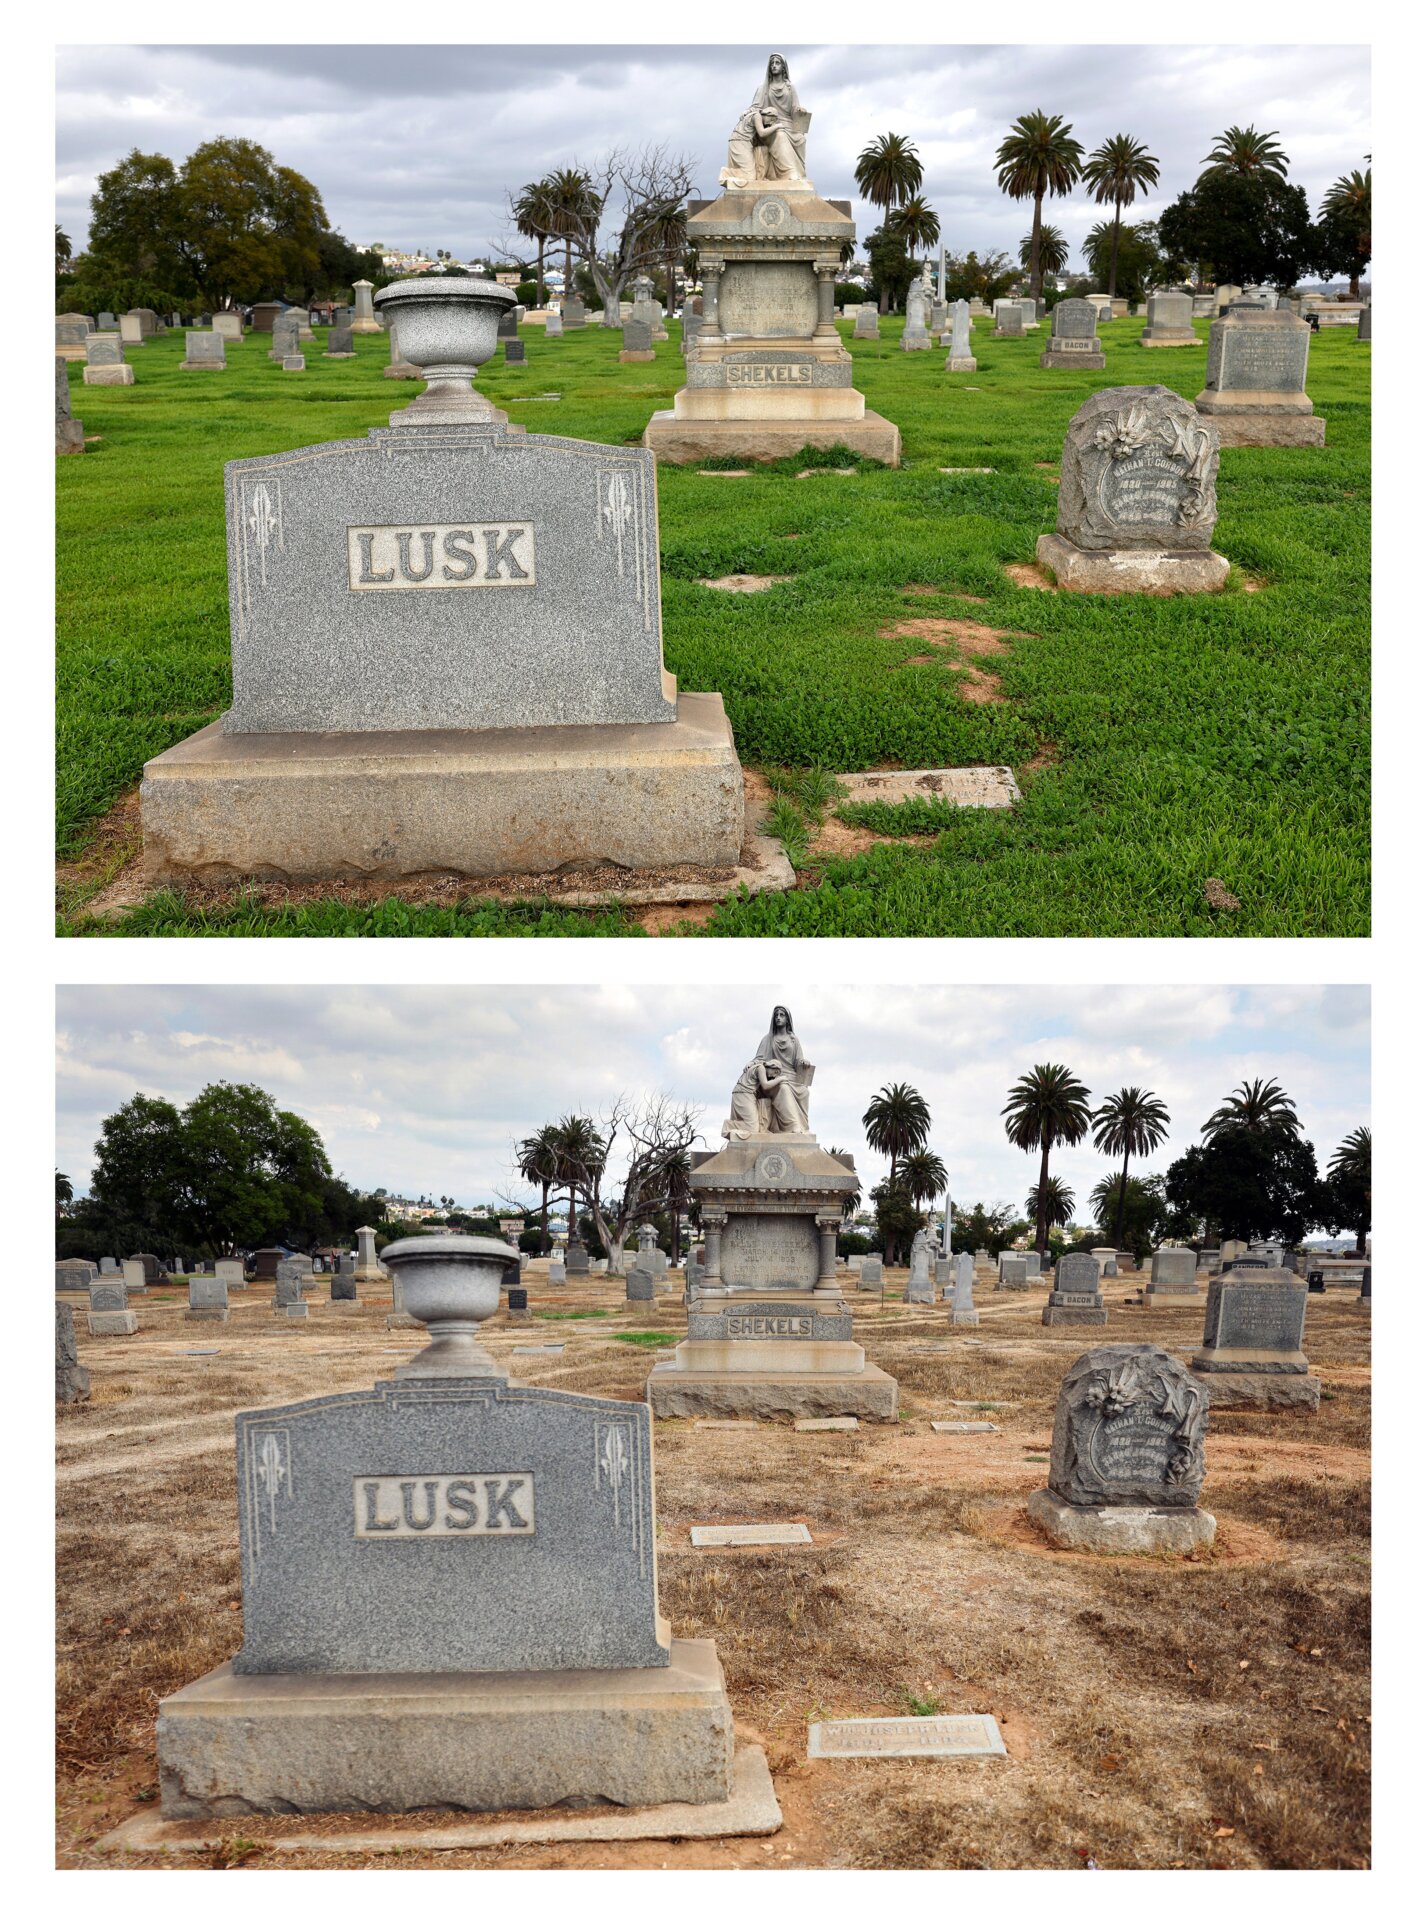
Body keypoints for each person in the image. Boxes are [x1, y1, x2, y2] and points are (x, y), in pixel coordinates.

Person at [720, 53, 808, 188]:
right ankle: (790, 173)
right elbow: (756, 107)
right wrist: (747, 112)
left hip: (789, 124)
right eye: (772, 63)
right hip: (770, 125)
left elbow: (794, 109)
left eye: (777, 63)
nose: (774, 66)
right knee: (780, 135)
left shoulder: (790, 87)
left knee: (801, 138)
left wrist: (800, 110)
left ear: (784, 67)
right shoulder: (763, 88)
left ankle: (796, 174)